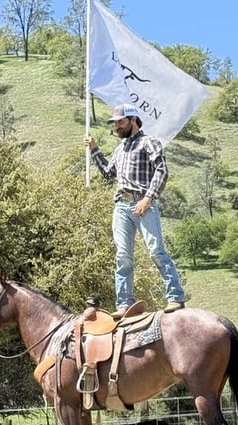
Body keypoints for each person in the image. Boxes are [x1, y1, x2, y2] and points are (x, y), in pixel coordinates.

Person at [85, 103, 187, 319]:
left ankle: (176, 296)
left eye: (120, 122)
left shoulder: (149, 142)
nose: (117, 126)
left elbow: (161, 170)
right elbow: (108, 173)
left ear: (133, 120)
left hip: (143, 203)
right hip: (121, 207)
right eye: (115, 123)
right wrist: (94, 149)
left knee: (156, 251)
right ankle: (124, 304)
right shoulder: (120, 149)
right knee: (122, 256)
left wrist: (148, 198)